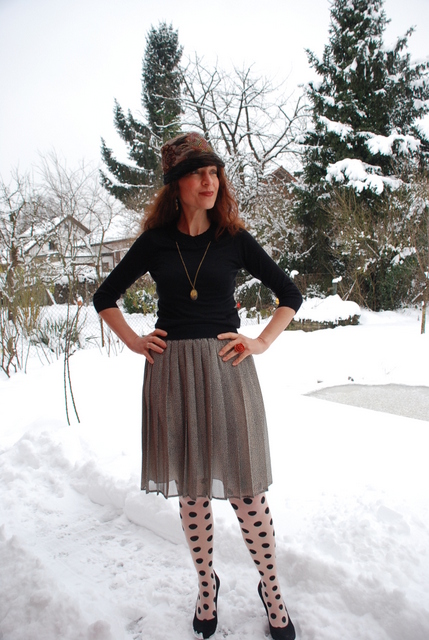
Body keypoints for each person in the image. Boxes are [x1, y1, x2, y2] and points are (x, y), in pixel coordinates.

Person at [93, 132, 302, 640]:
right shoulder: (156, 242)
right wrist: (133, 341)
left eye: (214, 172)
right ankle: (207, 585)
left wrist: (261, 341)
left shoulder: (234, 239)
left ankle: (272, 589)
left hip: (228, 370)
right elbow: (105, 296)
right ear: (176, 183)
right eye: (197, 173)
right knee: (192, 492)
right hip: (172, 374)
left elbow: (290, 294)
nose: (209, 181)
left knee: (246, 492)